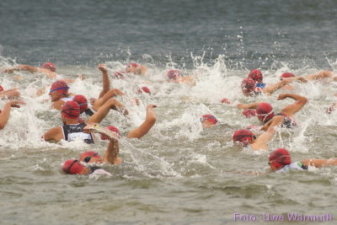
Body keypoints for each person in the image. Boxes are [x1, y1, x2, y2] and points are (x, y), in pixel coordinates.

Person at [43, 98, 126, 143]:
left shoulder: (57, 131)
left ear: (63, 115)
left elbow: (38, 141)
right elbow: (113, 135)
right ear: (78, 114)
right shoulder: (90, 126)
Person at [237, 93, 307, 128]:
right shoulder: (284, 113)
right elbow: (303, 100)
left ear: (260, 117)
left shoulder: (265, 128)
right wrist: (287, 94)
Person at [268, 148, 337, 172]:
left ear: (275, 164)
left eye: (269, 163)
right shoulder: (302, 163)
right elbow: (330, 162)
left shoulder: (278, 173)